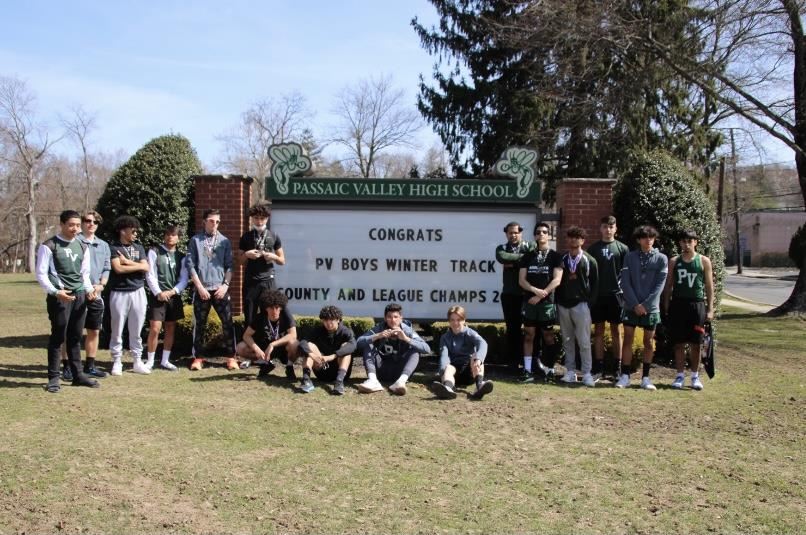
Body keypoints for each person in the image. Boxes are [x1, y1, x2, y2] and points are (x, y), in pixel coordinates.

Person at [35, 210, 100, 392]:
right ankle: (54, 378)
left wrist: (89, 290)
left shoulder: (83, 245)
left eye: (78, 225)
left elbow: (84, 274)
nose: (75, 228)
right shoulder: (49, 245)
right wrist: (56, 292)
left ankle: (78, 375)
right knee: (58, 336)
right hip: (60, 296)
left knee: (75, 336)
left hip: (79, 296)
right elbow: (41, 274)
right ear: (62, 224)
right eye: (71, 225)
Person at [615, 225, 669, 390]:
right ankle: (625, 376)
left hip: (650, 308)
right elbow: (625, 281)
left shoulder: (661, 258)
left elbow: (660, 285)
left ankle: (646, 378)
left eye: (651, 237)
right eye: (645, 237)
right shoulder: (630, 257)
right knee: (628, 340)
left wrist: (645, 305)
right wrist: (635, 304)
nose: (648, 240)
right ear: (638, 240)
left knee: (648, 341)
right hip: (631, 306)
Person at [59, 210, 110, 380]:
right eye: (87, 221)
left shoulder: (103, 245)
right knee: (70, 331)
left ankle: (90, 366)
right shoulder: (75, 242)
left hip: (96, 292)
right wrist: (85, 288)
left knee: (94, 330)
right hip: (77, 292)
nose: (91, 224)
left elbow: (106, 268)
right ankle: (67, 366)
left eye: (95, 222)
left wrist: (100, 286)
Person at [662, 229, 715, 391]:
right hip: (678, 305)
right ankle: (679, 375)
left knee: (696, 343)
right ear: (680, 243)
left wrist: (710, 308)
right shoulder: (674, 261)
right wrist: (666, 303)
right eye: (683, 241)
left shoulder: (704, 261)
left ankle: (694, 376)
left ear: (695, 242)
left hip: (696, 305)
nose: (686, 244)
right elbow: (669, 284)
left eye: (689, 241)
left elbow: (709, 286)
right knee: (678, 343)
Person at [186, 209, 237, 371]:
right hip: (202, 290)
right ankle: (198, 358)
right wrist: (199, 287)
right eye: (211, 221)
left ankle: (231, 357)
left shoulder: (224, 241)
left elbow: (230, 266)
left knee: (228, 323)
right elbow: (190, 266)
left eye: (217, 222)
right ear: (204, 222)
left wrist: (225, 286)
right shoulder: (195, 240)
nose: (214, 224)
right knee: (199, 325)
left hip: (220, 290)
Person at [517, 222, 563, 383]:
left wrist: (541, 295)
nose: (541, 234)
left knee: (548, 336)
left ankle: (550, 370)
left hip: (547, 303)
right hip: (530, 302)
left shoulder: (556, 257)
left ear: (549, 235)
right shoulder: (527, 256)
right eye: (538, 232)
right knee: (529, 335)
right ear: (535, 235)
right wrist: (535, 291)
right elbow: (522, 281)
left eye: (544, 232)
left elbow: (557, 280)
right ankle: (527, 370)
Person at [555, 226, 599, 387]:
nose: (574, 240)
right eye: (571, 237)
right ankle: (570, 371)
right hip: (563, 305)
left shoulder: (589, 260)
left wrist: (589, 303)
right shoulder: (562, 259)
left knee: (584, 340)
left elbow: (595, 285)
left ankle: (587, 373)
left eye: (577, 237)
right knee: (567, 340)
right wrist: (558, 302)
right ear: (567, 240)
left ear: (582, 240)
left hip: (581, 305)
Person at [355, 303, 430, 395]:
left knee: (415, 351)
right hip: (381, 369)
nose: (393, 320)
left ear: (401, 318)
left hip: (399, 371)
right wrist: (378, 336)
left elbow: (426, 349)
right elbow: (358, 342)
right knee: (368, 344)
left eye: (396, 317)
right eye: (389, 317)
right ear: (385, 318)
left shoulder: (407, 330)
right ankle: (373, 381)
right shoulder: (380, 328)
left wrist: (406, 339)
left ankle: (401, 382)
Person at [108, 215, 151, 376]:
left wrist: (127, 262)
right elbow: (117, 269)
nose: (135, 234)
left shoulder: (139, 247)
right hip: (119, 292)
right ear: (122, 230)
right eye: (132, 230)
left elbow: (146, 268)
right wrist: (136, 266)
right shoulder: (113, 248)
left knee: (137, 329)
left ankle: (137, 360)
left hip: (138, 291)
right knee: (117, 329)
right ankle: (117, 361)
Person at [587, 215, 629, 381]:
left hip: (616, 296)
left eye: (611, 226)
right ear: (600, 229)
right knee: (598, 331)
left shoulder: (623, 248)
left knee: (616, 331)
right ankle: (598, 368)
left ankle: (617, 368)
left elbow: (627, 274)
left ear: (616, 229)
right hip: (598, 295)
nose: (608, 229)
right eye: (605, 226)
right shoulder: (593, 249)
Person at [145, 224, 189, 371]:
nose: (170, 237)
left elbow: (184, 278)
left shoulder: (182, 257)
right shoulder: (154, 252)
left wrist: (173, 291)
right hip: (158, 296)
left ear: (179, 238)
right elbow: (150, 275)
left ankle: (165, 360)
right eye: (168, 234)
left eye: (174, 235)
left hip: (173, 296)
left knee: (170, 327)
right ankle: (150, 361)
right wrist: (159, 292)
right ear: (164, 236)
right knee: (155, 328)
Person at [495, 221, 534, 374]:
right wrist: (522, 261)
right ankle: (513, 362)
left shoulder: (529, 246)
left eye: (516, 232)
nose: (513, 235)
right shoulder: (502, 248)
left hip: (527, 294)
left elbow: (532, 257)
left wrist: (513, 263)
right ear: (506, 234)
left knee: (531, 330)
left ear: (521, 233)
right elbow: (502, 257)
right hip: (510, 295)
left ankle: (531, 362)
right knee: (513, 330)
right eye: (510, 232)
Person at [430, 306, 494, 400]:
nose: (455, 323)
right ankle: (448, 388)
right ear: (449, 321)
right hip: (453, 374)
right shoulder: (445, 337)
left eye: (459, 320)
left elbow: (483, 343)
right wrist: (442, 371)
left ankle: (480, 385)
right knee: (448, 367)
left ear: (464, 320)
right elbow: (444, 356)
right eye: (452, 320)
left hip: (470, 372)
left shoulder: (470, 333)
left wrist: (479, 359)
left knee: (476, 356)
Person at [238, 203, 285, 325]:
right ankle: (250, 342)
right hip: (251, 281)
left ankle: (271, 342)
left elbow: (282, 260)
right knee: (249, 316)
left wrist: (273, 256)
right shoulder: (246, 237)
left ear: (267, 219)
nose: (259, 221)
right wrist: (247, 255)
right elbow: (239, 261)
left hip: (268, 280)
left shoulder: (274, 236)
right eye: (256, 218)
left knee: (272, 315)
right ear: (252, 218)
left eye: (262, 218)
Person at [236, 289, 298, 379]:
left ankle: (289, 367)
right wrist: (257, 349)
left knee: (294, 344)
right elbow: (246, 335)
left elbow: (293, 335)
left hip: (282, 348)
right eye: (271, 308)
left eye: (277, 307)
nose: (274, 311)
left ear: (281, 307)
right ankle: (266, 364)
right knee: (240, 347)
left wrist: (272, 344)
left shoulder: (285, 314)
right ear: (266, 308)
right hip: (265, 350)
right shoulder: (260, 317)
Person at [295, 305, 356, 395]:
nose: (328, 323)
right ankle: (306, 380)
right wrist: (312, 355)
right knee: (309, 346)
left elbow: (353, 345)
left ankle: (338, 383)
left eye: (332, 319)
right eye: (325, 320)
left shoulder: (346, 331)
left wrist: (332, 356)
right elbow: (302, 342)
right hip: (321, 369)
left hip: (340, 372)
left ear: (338, 320)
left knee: (346, 347)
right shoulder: (318, 330)